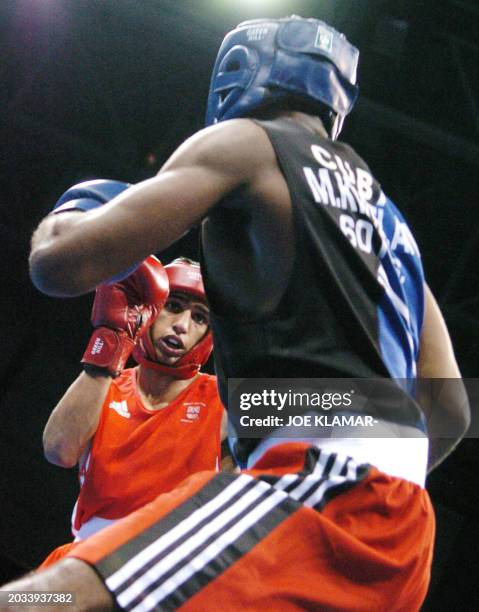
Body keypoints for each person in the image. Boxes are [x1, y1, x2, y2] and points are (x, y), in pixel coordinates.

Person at [4, 15, 470, 611]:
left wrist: (69, 216)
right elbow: (452, 409)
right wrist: (369, 462)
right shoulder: (393, 227)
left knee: (45, 602)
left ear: (243, 75)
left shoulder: (249, 143)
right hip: (404, 538)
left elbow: (56, 267)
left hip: (318, 489)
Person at [38, 254, 229, 568]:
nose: (182, 326)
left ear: (210, 335)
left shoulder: (223, 399)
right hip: (84, 564)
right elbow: (58, 450)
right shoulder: (104, 386)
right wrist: (110, 340)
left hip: (165, 574)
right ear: (150, 310)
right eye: (174, 306)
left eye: (199, 318)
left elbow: (335, 408)